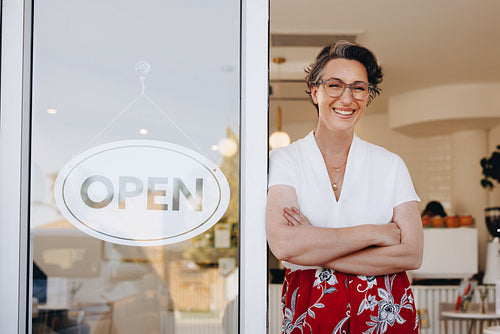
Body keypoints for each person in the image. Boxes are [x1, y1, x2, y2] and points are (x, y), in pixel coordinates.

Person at [266, 40, 423, 333]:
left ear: (367, 95)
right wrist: (375, 233)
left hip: (385, 309)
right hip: (312, 307)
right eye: (335, 85)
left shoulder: (391, 165)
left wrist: (315, 247)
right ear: (315, 91)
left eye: (359, 87)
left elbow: (411, 254)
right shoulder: (284, 160)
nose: (347, 98)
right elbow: (284, 245)